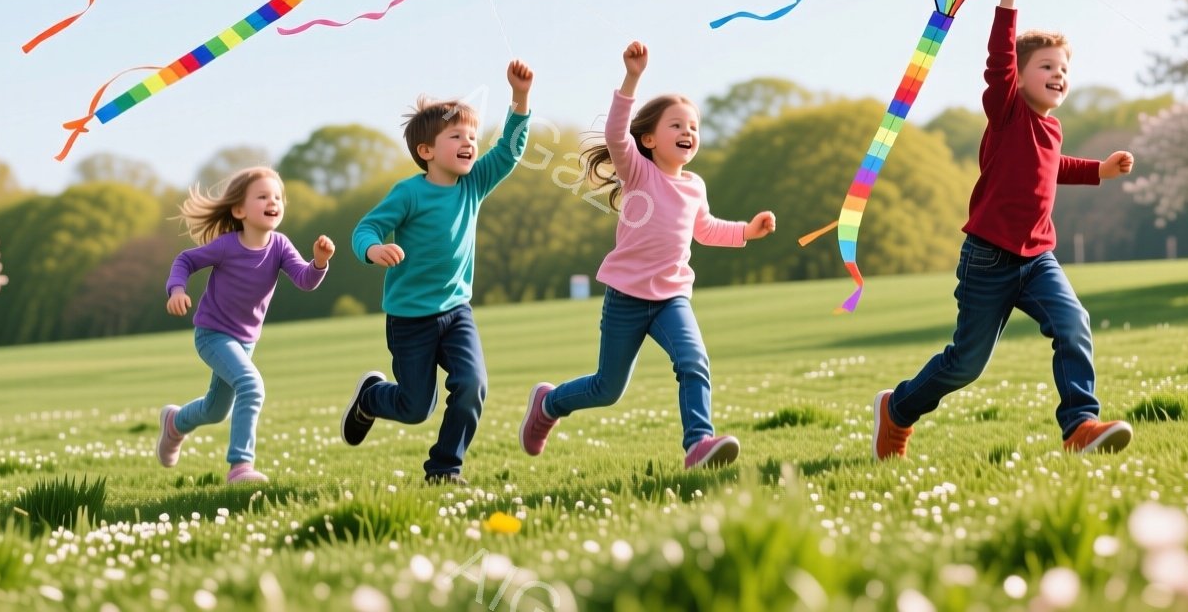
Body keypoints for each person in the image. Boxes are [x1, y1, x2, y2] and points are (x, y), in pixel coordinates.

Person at [873, 0, 1137, 460]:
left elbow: (1050, 166)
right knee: (966, 364)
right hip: (988, 259)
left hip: (1037, 258)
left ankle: (1080, 425)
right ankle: (898, 409)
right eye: (1047, 67)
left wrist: (1098, 170)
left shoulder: (1051, 127)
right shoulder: (1007, 109)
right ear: (1019, 76)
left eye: (1064, 69)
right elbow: (998, 61)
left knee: (1073, 323)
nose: (1058, 75)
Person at [520, 42, 776, 470]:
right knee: (607, 389)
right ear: (650, 139)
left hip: (672, 297)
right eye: (676, 125)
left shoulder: (694, 186)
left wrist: (747, 231)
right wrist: (632, 77)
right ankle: (548, 404)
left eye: (693, 126)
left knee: (693, 361)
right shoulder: (639, 172)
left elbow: (706, 229)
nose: (688, 132)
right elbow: (615, 135)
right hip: (626, 297)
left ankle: (698, 444)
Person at [340, 60, 535, 485]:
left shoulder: (474, 184)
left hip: (456, 312)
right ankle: (371, 398)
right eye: (456, 136)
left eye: (472, 137)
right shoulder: (409, 193)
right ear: (426, 151)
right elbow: (365, 228)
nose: (469, 143)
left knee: (472, 384)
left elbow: (509, 151)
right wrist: (373, 249)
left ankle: (445, 469)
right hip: (410, 319)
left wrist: (520, 97)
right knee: (415, 409)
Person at [157, 167, 332, 484]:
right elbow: (185, 260)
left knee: (215, 411)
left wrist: (319, 262)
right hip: (212, 335)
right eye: (263, 196)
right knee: (251, 386)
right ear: (239, 210)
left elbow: (305, 280)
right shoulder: (227, 246)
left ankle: (175, 422)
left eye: (277, 196)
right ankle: (240, 466)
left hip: (245, 342)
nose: (273, 201)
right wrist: (177, 290)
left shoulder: (280, 245)